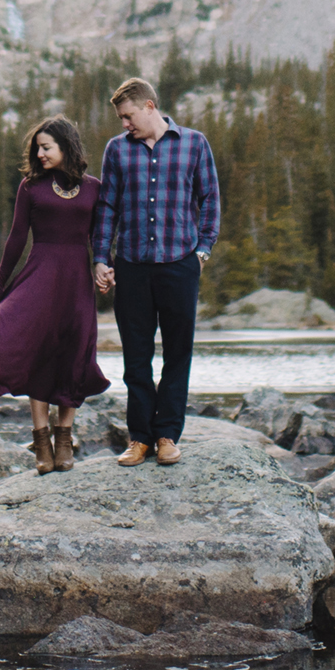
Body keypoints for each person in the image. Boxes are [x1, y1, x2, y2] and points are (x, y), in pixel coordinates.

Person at [0, 116, 111, 472]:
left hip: (77, 284)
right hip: (39, 279)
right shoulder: (31, 187)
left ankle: (64, 439)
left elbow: (99, 237)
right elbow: (15, 239)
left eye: (46, 147)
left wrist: (106, 265)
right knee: (39, 354)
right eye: (37, 148)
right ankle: (42, 442)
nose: (40, 154)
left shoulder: (94, 188)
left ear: (66, 147)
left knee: (75, 355)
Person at [89, 76, 221, 465]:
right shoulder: (117, 150)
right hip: (132, 265)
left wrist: (202, 251)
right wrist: (101, 257)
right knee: (136, 355)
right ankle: (140, 438)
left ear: (148, 106)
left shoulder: (194, 143)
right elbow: (108, 207)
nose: (124, 124)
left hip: (180, 264)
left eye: (128, 116)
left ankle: (167, 436)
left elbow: (210, 198)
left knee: (178, 353)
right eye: (120, 118)